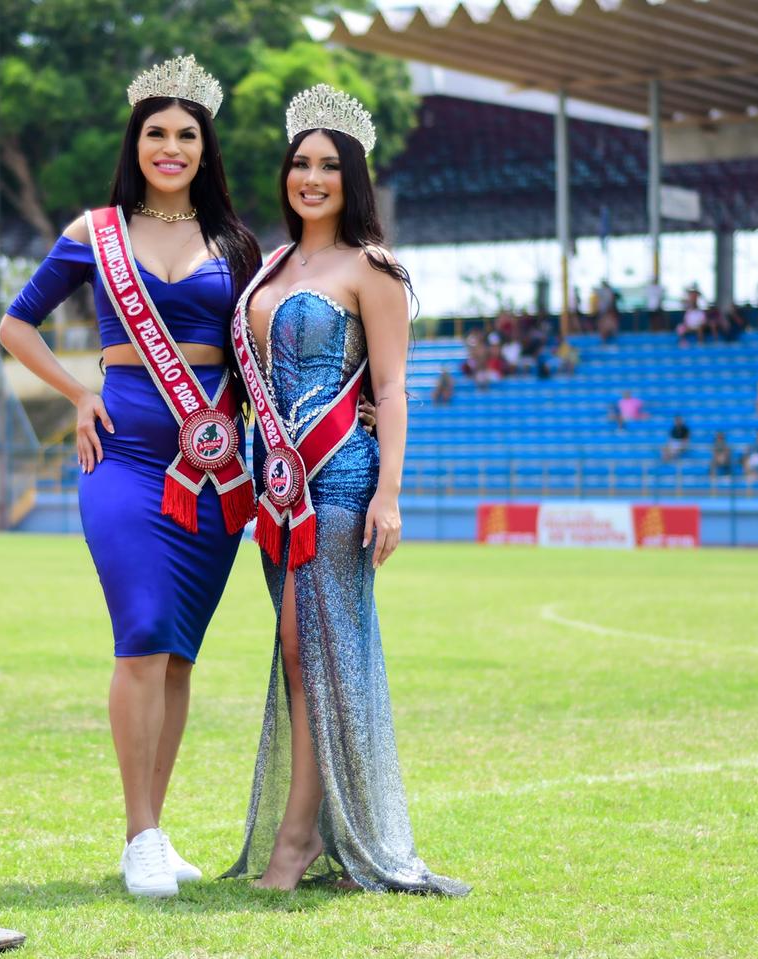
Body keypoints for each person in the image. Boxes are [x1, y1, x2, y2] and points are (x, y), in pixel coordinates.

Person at [0, 55, 266, 898]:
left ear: (204, 147)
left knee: (179, 654)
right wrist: (78, 391)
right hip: (123, 453)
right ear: (137, 142)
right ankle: (138, 832)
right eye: (157, 133)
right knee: (142, 629)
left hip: (214, 467)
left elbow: (265, 350)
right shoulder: (94, 232)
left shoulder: (236, 243)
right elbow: (16, 324)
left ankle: (157, 825)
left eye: (187, 134)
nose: (172, 147)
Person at [223, 85, 470, 897]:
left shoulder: (375, 268)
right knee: (303, 656)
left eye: (330, 165)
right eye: (301, 163)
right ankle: (320, 825)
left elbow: (393, 388)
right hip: (274, 484)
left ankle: (297, 841)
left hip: (340, 478)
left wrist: (389, 495)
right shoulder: (270, 266)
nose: (312, 177)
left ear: (352, 177)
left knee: (312, 648)